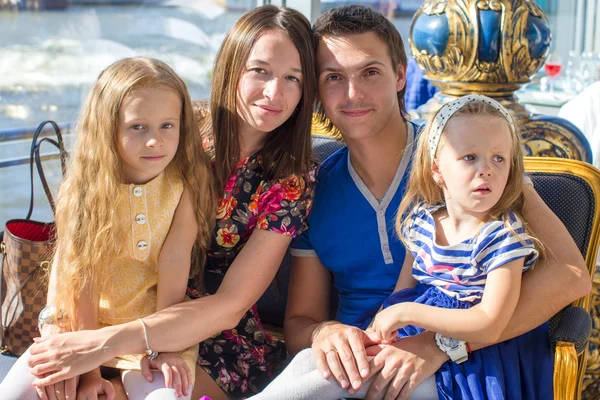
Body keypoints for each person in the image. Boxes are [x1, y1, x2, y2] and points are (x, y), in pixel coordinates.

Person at [283, 5, 590, 400]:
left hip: (464, 364)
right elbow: (299, 323)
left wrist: (439, 345)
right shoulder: (313, 187)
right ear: (317, 90)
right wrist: (323, 333)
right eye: (333, 78)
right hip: (361, 361)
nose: (353, 93)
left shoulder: (463, 157)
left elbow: (570, 275)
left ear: (400, 75)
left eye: (370, 72)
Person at [22, 5, 317, 400]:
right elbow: (85, 224)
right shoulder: (176, 127)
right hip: (111, 309)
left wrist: (101, 346)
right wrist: (60, 324)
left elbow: (229, 305)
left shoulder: (290, 180)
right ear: (231, 66)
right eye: (259, 71)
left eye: (292, 78)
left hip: (206, 330)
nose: (273, 92)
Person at [0, 57, 215, 400]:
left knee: (167, 396)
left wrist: (163, 347)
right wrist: (89, 372)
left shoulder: (184, 185)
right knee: (14, 393)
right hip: (80, 328)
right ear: (107, 128)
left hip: (147, 332)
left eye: (167, 126)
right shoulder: (88, 189)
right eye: (137, 127)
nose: (155, 141)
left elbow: (174, 264)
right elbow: (83, 278)